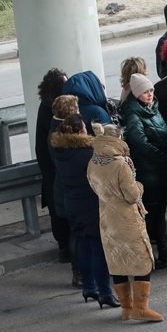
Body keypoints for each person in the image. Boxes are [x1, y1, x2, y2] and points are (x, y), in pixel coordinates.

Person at [86, 124, 164, 322]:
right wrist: (139, 185)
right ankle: (141, 308)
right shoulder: (121, 164)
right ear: (118, 139)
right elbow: (132, 196)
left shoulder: (94, 161)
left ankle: (126, 309)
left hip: (106, 218)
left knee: (117, 262)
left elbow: (95, 188)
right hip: (126, 219)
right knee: (143, 262)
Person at [50, 116, 117, 307]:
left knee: (84, 246)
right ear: (81, 131)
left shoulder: (61, 151)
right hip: (90, 205)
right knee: (99, 249)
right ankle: (104, 291)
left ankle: (89, 287)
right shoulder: (87, 153)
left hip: (72, 204)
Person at [120, 73, 167, 269]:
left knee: (159, 214)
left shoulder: (153, 108)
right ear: (137, 93)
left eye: (151, 90)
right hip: (149, 173)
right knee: (149, 216)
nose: (150, 94)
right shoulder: (133, 114)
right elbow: (140, 144)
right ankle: (150, 257)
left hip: (161, 171)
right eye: (146, 91)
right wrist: (164, 157)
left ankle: (164, 253)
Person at [35, 68, 75, 278]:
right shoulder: (52, 109)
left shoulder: (48, 105)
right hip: (55, 169)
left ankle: (65, 247)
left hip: (52, 168)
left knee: (58, 206)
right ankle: (65, 247)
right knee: (59, 207)